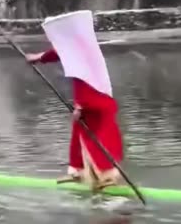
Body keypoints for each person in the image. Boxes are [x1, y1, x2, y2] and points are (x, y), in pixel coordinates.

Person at [25, 48, 124, 190]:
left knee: (95, 141)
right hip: (96, 103)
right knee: (84, 136)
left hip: (95, 104)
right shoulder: (78, 46)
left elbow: (87, 79)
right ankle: (84, 173)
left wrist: (82, 105)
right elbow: (62, 51)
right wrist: (40, 57)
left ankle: (103, 177)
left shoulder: (83, 55)